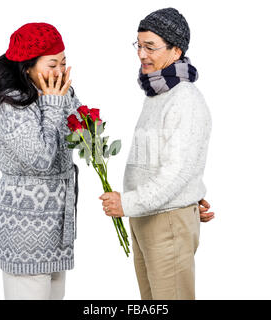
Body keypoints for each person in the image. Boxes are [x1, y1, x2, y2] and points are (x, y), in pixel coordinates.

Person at [99, 8, 214, 300]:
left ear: (176, 51)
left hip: (166, 222)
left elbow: (177, 173)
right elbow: (167, 163)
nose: (141, 54)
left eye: (151, 46)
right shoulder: (157, 95)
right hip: (145, 218)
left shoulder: (184, 99)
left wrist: (127, 202)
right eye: (138, 45)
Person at [0, 22, 83, 300]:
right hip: (25, 234)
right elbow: (42, 160)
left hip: (57, 232)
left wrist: (64, 102)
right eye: (52, 64)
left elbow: (82, 135)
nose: (59, 72)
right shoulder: (13, 105)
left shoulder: (56, 94)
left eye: (64, 62)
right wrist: (56, 104)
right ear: (27, 67)